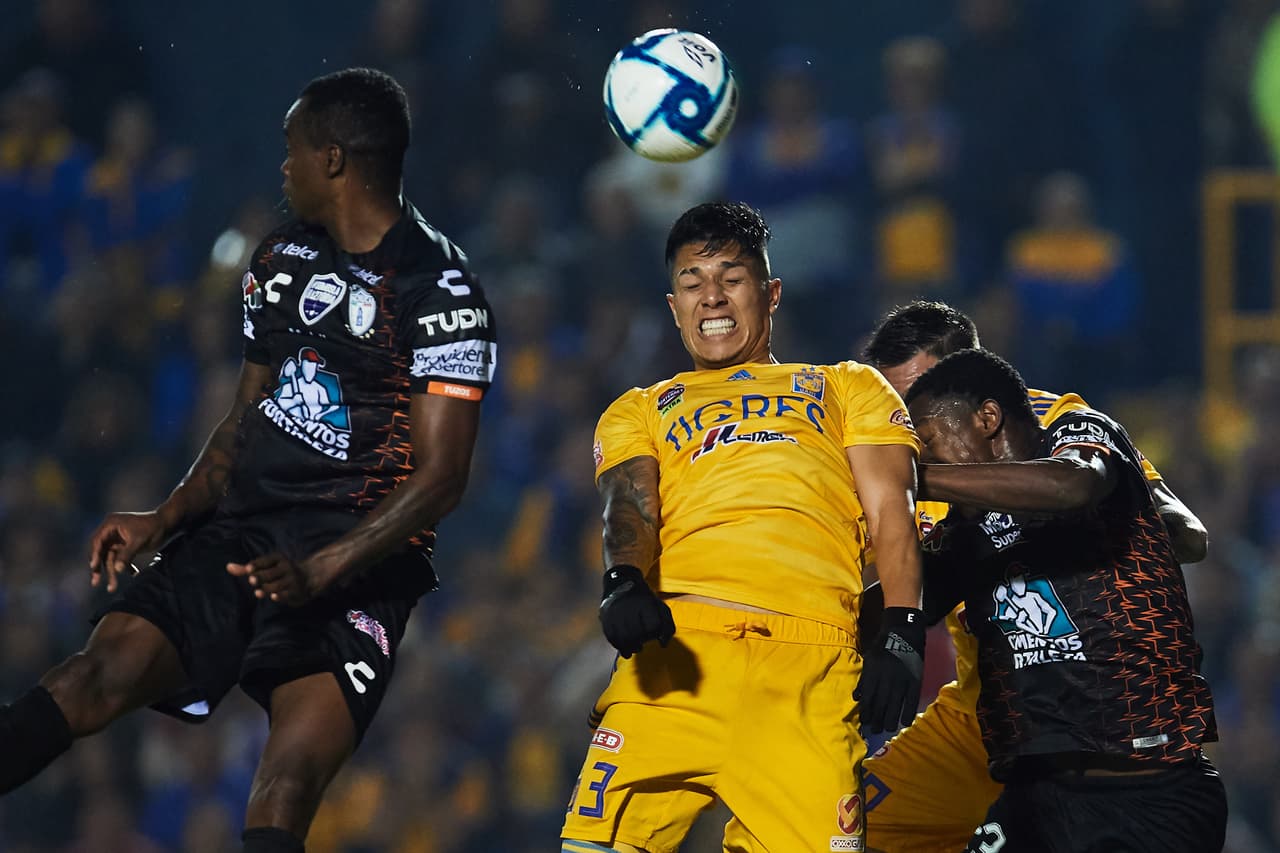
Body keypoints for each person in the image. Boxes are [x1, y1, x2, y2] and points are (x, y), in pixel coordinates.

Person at [0, 67, 497, 853]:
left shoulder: (441, 291)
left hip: (359, 565)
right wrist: (163, 517)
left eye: (292, 149)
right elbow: (244, 419)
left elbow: (442, 479)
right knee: (85, 681)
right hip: (240, 536)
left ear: (333, 159)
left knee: (285, 784)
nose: (283, 166)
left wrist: (324, 567)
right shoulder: (280, 259)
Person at [560, 201, 925, 853]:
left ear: (771, 292)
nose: (712, 296)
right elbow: (629, 500)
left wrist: (901, 629)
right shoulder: (639, 408)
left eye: (731, 276)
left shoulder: (847, 387)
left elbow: (891, 510)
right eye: (693, 282)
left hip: (809, 674)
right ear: (673, 306)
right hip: (677, 658)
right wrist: (622, 578)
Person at [858, 300, 1207, 853]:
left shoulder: (1055, 425)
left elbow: (1189, 536)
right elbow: (915, 590)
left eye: (914, 406)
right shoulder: (886, 453)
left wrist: (1093, 524)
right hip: (985, 713)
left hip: (1101, 718)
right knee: (837, 829)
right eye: (891, 408)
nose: (903, 426)